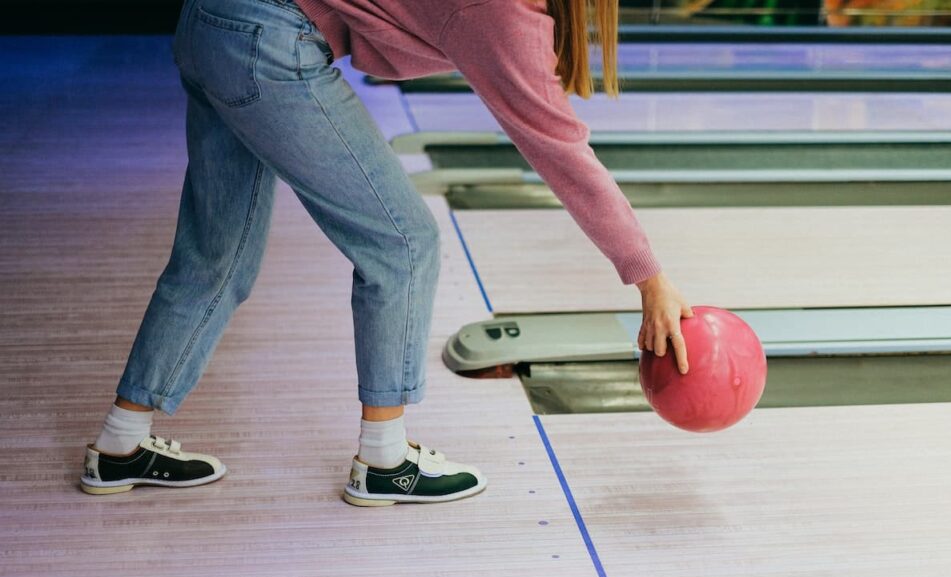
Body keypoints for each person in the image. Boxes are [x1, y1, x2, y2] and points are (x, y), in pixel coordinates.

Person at [81, 0, 693, 504]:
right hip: (266, 39)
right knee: (403, 244)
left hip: (209, 21)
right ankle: (384, 461)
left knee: (215, 254)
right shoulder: (506, 9)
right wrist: (649, 278)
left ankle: (120, 443)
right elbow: (559, 149)